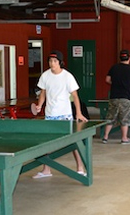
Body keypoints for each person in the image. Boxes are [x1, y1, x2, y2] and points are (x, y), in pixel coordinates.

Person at [32, 50, 88, 179]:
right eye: (50, 61)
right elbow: (43, 93)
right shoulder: (45, 76)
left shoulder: (67, 76)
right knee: (47, 143)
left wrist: (78, 113)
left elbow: (75, 96)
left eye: (55, 61)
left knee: (73, 142)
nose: (52, 64)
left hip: (65, 115)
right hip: (50, 114)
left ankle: (80, 168)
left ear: (60, 63)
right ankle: (46, 170)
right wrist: (40, 105)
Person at [102, 49, 130, 145]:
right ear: (129, 58)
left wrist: (115, 84)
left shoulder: (114, 68)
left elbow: (107, 79)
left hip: (114, 96)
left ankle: (105, 137)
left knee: (110, 117)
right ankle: (124, 138)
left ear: (120, 58)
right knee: (125, 118)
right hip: (126, 97)